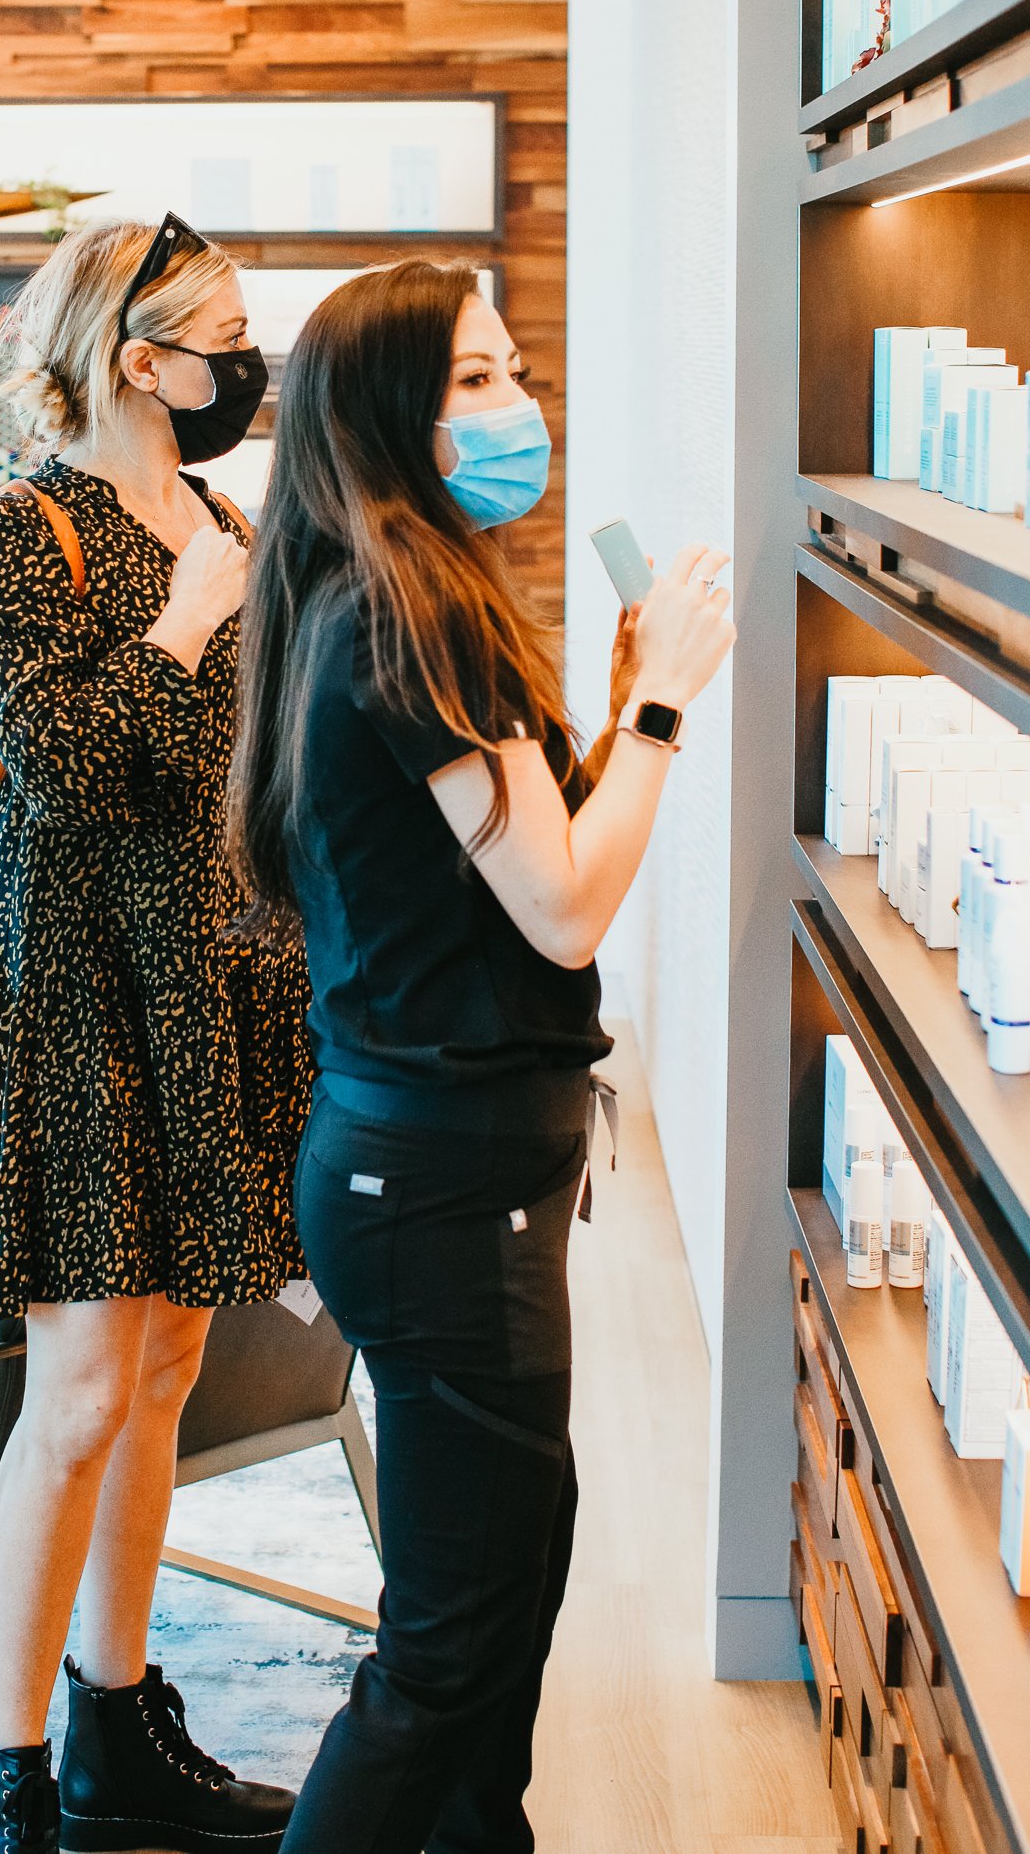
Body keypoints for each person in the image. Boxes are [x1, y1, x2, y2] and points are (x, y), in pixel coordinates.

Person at [228, 259, 735, 1854]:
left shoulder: (359, 586)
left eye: (513, 371)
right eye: (472, 380)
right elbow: (570, 907)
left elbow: (503, 876)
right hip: (438, 1189)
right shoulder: (412, 605)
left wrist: (597, 716)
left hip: (417, 1167)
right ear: (384, 408)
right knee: (453, 1639)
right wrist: (658, 713)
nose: (516, 407)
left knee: (515, 1556)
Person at [0, 214, 312, 1854]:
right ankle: (15, 1782)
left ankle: (114, 1718)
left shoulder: (222, 511)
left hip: (204, 980)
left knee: (165, 1367)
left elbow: (240, 761)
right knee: (78, 1389)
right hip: (72, 986)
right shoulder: (9, 534)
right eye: (222, 332)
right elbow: (65, 765)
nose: (248, 360)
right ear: (135, 360)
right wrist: (185, 620)